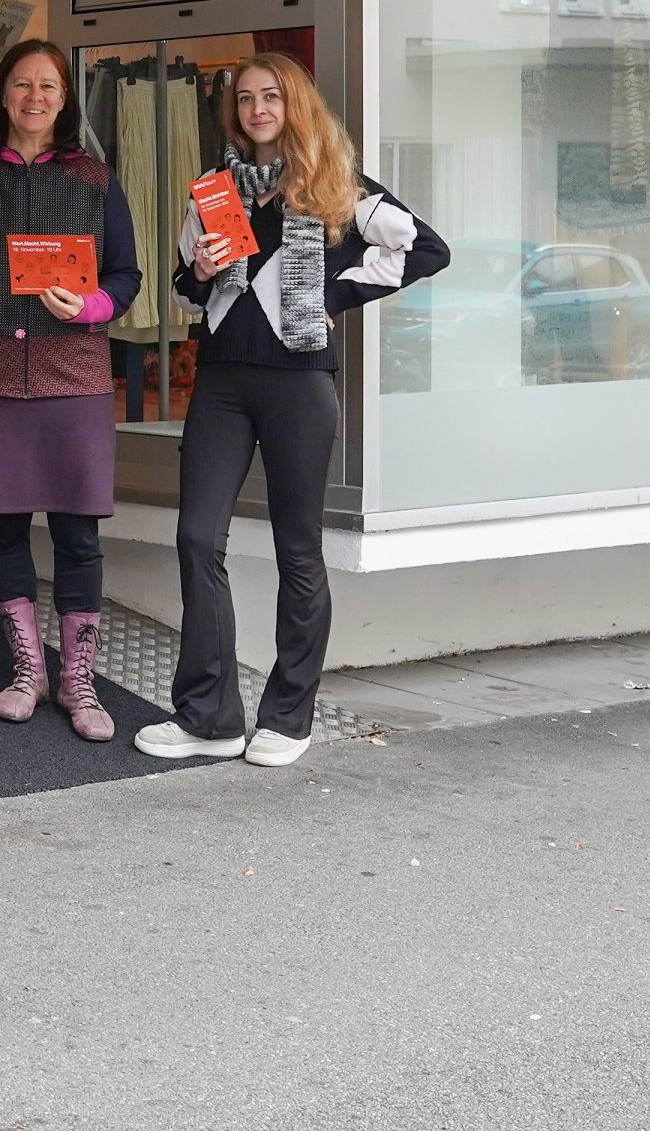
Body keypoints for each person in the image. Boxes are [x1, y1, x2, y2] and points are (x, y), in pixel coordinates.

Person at [135, 52, 449, 767]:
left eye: (270, 95)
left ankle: (288, 716)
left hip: (297, 383)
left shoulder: (336, 185)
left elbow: (426, 249)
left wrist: (328, 293)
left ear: (294, 103)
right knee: (195, 539)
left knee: (297, 550)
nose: (256, 108)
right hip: (220, 380)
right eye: (244, 98)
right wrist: (204, 272)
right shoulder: (214, 189)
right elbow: (186, 291)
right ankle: (207, 717)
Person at [0, 38, 140, 742]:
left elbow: (126, 277)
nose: (34, 97)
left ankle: (78, 682)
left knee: (78, 533)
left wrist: (87, 309)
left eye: (47, 86)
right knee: (4, 527)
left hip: (72, 375)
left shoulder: (94, 180)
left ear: (63, 99)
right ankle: (27, 670)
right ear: (2, 97)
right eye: (21, 85)